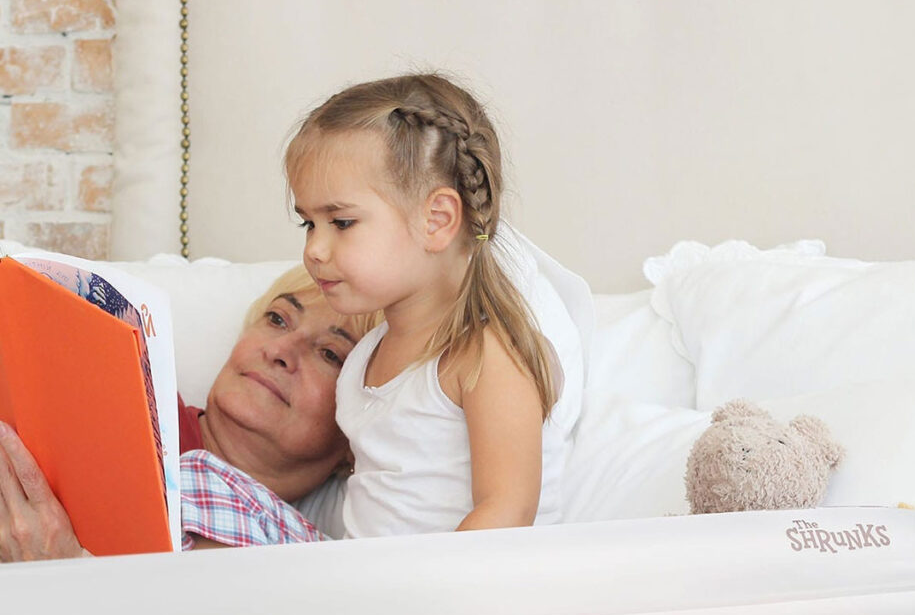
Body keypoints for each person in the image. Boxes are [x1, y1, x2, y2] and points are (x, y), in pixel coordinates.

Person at [286, 73, 582, 538]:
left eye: (341, 222)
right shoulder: (368, 354)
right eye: (308, 224)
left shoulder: (487, 356)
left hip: (455, 597)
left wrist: (425, 599)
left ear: (437, 220)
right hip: (372, 589)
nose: (315, 250)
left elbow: (507, 509)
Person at [0, 265, 379, 559]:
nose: (281, 349)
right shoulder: (122, 400)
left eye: (330, 353)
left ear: (357, 434)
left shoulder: (304, 552)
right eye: (277, 319)